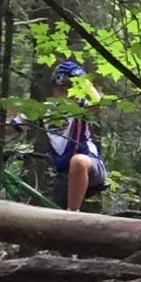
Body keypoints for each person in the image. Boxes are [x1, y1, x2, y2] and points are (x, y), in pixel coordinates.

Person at [22, 57, 108, 210]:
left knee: (78, 162)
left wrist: (84, 82)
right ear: (54, 88)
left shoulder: (80, 107)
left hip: (91, 165)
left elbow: (98, 105)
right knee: (53, 224)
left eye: (71, 88)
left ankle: (72, 215)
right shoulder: (45, 111)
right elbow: (13, 125)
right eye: (61, 87)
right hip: (64, 175)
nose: (66, 93)